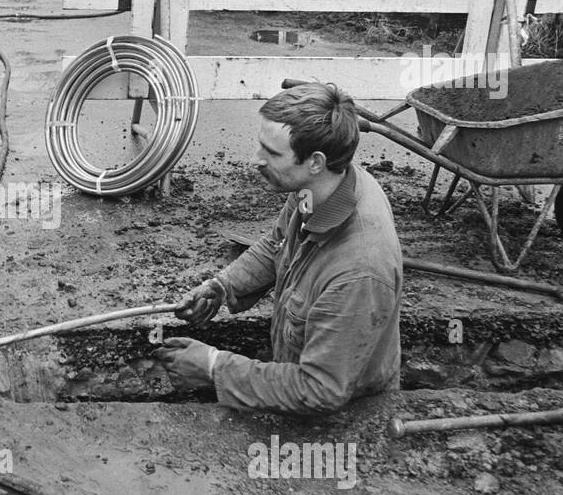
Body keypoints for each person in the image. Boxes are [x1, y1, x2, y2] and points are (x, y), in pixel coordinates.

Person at [153, 83, 403, 415]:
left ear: (315, 162)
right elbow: (277, 243)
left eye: (271, 153)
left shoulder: (359, 271)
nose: (255, 159)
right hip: (300, 379)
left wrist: (214, 367)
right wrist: (223, 286)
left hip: (347, 417)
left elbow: (320, 389)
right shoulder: (318, 188)